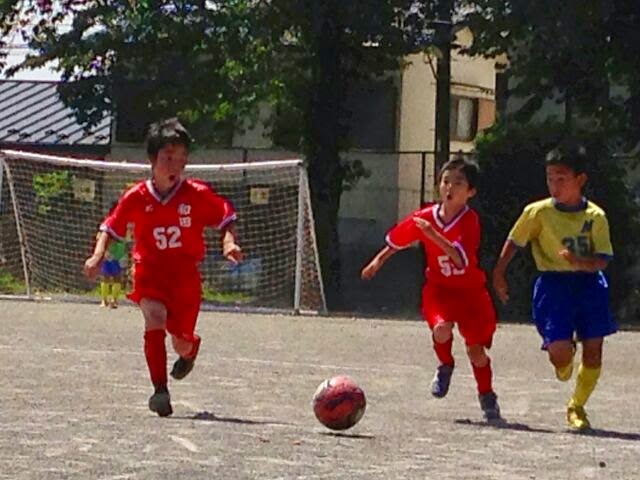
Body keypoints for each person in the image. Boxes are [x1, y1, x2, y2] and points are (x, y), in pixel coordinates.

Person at [83, 118, 243, 417]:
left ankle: (191, 350)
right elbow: (110, 227)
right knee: (153, 318)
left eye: (180, 159)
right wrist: (97, 255)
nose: (174, 165)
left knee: (181, 343)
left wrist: (228, 243)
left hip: (184, 278)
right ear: (153, 160)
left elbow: (225, 216)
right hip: (149, 271)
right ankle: (159, 391)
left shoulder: (195, 193)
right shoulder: (136, 196)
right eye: (168, 158)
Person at [361, 156, 501, 422]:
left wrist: (434, 235)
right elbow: (398, 240)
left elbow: (460, 260)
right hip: (439, 289)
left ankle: (487, 395)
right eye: (446, 181)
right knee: (440, 329)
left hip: (471, 294)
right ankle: (445, 364)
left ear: (470, 192)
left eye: (458, 183)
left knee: (476, 351)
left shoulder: (470, 221)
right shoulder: (426, 217)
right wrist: (378, 260)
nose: (450, 187)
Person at [492, 140, 616, 431]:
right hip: (553, 285)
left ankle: (577, 405)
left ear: (580, 179)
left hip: (589, 285)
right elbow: (514, 242)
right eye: (550, 178)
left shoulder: (595, 217)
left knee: (595, 350)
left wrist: (580, 262)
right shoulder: (538, 212)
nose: (554, 185)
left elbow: (603, 260)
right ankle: (564, 356)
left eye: (561, 178)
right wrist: (499, 272)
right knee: (559, 356)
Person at [98, 234, 127, 308]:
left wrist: (124, 256)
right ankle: (104, 300)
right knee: (105, 277)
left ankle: (114, 300)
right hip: (107, 256)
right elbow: (99, 236)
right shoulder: (106, 226)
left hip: (119, 256)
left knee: (117, 278)